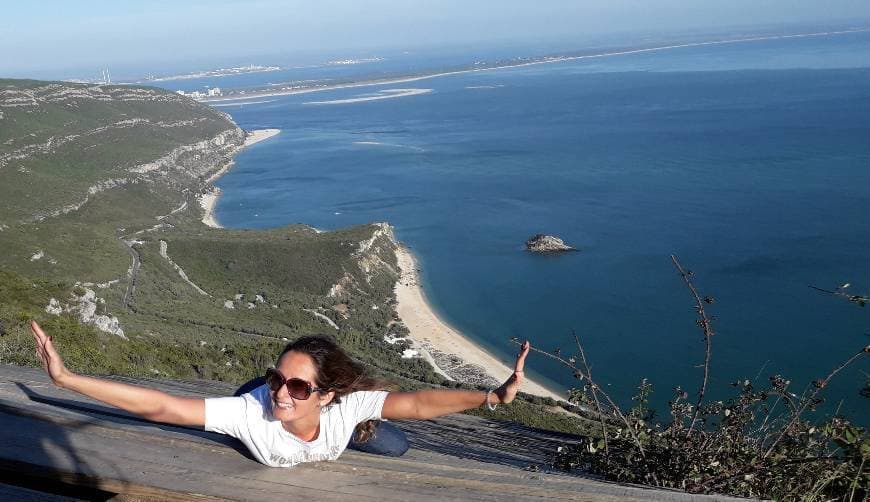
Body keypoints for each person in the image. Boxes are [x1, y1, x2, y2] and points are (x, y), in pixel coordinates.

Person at [29, 320, 530, 468]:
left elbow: (419, 403)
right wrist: (68, 379)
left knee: (398, 445)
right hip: (251, 415)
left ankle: (366, 430)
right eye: (278, 377)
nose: (282, 391)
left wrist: (490, 397)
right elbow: (163, 406)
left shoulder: (346, 404)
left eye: (296, 384)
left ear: (328, 394)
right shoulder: (254, 411)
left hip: (338, 423)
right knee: (241, 408)